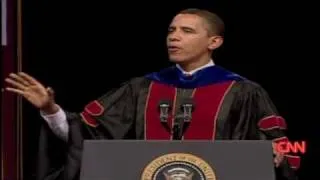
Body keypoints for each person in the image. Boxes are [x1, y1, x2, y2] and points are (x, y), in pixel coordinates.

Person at [5, 8, 299, 180]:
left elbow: (282, 148)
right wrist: (50, 109)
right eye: (171, 30)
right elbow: (87, 136)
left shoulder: (244, 91)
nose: (174, 37)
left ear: (214, 41)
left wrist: (277, 155)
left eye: (186, 31)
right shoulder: (141, 88)